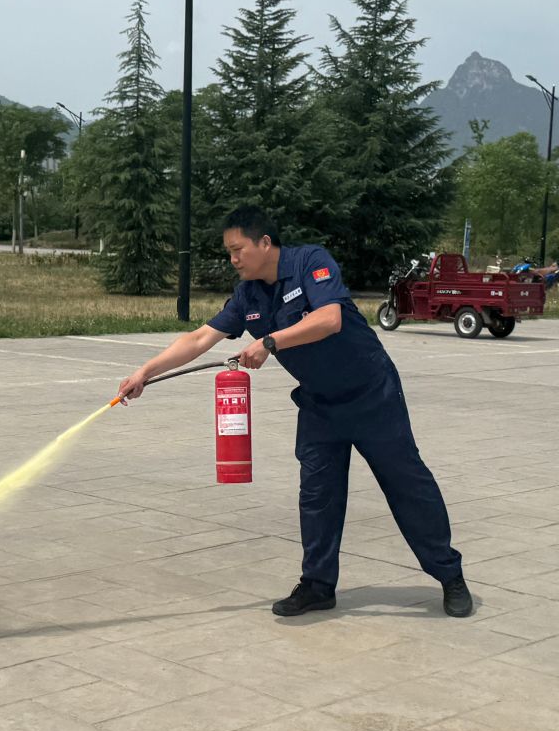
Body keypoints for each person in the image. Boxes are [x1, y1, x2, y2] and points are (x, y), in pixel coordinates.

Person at [116, 206, 472, 618]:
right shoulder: (248, 295)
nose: (233, 259)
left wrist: (270, 341)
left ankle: (450, 576)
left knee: (406, 484)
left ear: (265, 243)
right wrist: (145, 372)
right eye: (228, 251)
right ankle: (318, 585)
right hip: (320, 404)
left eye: (238, 249)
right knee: (318, 494)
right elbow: (198, 339)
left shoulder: (310, 262)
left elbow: (329, 319)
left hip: (371, 395)